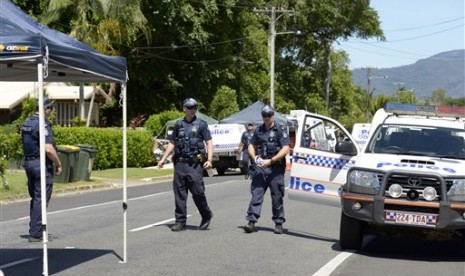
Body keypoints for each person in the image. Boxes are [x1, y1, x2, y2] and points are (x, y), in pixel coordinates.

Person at [157, 98, 214, 231]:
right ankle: (180, 221)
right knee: (180, 194)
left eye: (194, 107)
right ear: (184, 108)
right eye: (189, 107)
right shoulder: (178, 124)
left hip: (195, 165)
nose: (192, 110)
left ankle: (206, 214)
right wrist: (163, 159)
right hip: (180, 164)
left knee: (198, 192)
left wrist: (209, 160)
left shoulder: (202, 124)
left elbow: (209, 142)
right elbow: (172, 143)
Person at [243, 105, 290, 234]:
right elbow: (251, 145)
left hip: (276, 167)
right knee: (256, 195)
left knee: (277, 196)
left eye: (269, 115)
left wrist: (271, 160)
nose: (266, 118)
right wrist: (254, 157)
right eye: (264, 116)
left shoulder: (280, 129)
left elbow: (286, 148)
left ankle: (278, 223)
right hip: (261, 167)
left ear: (272, 115)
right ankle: (251, 222)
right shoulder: (259, 130)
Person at [21, 98, 62, 242]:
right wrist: (58, 163)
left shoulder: (27, 122)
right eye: (50, 109)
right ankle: (37, 233)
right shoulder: (42, 124)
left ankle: (35, 229)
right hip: (41, 165)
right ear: (46, 109)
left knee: (35, 198)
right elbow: (49, 149)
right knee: (41, 198)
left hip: (29, 163)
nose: (51, 112)